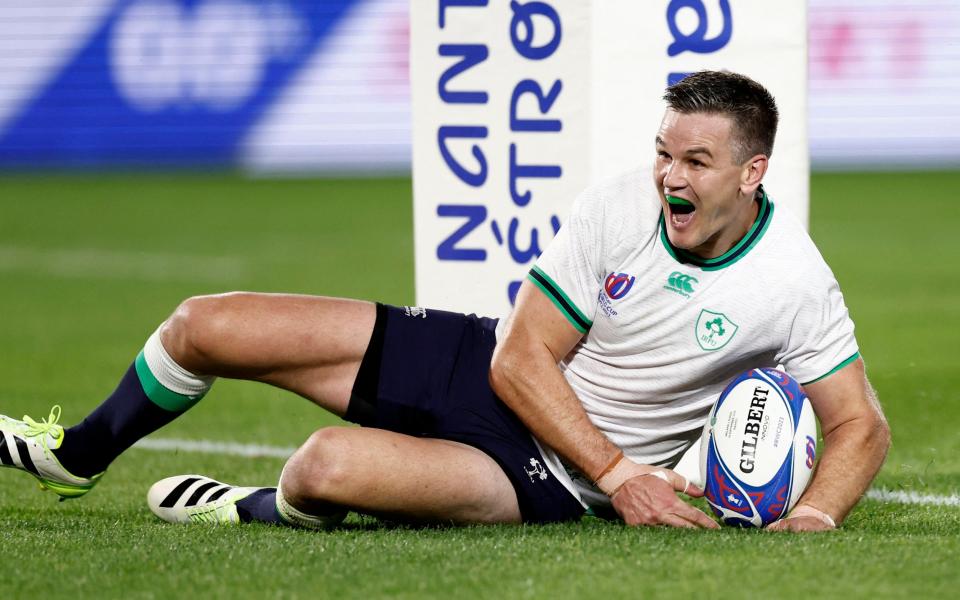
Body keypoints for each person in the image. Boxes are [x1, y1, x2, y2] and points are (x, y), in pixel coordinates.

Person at [0, 71, 890, 532]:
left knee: (323, 468)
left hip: (545, 478)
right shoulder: (622, 203)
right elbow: (518, 355)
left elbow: (861, 425)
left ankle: (246, 507)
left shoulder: (794, 281)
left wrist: (813, 515)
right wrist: (628, 479)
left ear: (753, 172)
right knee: (205, 323)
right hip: (490, 368)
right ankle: (80, 453)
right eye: (665, 153)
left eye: (695, 163)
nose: (670, 177)